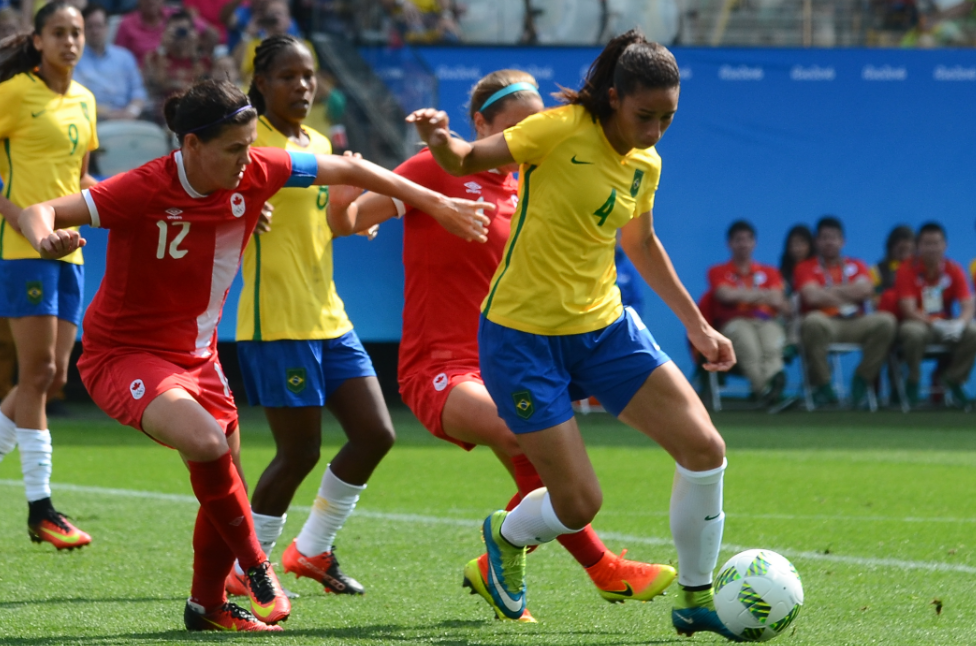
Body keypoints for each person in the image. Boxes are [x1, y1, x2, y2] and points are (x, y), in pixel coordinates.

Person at [16, 78, 489, 631]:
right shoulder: (144, 187)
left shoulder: (260, 170)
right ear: (191, 145)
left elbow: (353, 171)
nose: (248, 160)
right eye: (234, 149)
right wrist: (48, 238)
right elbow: (40, 209)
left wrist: (434, 201)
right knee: (207, 443)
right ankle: (258, 566)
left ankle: (207, 606)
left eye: (249, 145)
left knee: (225, 483)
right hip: (124, 354)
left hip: (199, 356)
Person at [407, 30, 741, 641]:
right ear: (614, 98)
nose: (656, 130)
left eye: (668, 118)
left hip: (606, 329)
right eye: (646, 115)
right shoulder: (557, 129)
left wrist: (697, 324)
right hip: (521, 336)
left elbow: (640, 243)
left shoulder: (647, 162)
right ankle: (504, 536)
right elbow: (462, 159)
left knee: (705, 449)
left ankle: (696, 598)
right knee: (578, 504)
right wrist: (437, 139)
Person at [331, 68, 678, 622]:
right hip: (439, 368)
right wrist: (350, 180)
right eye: (513, 126)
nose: (525, 137)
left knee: (539, 461)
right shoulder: (437, 170)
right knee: (527, 437)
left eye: (535, 123)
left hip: (507, 363)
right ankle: (602, 567)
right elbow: (345, 219)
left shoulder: (537, 183)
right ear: (482, 126)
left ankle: (514, 566)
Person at [223, 35, 433, 600]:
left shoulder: (318, 142)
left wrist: (352, 207)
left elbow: (335, 222)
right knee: (300, 452)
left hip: (329, 317)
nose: (302, 86)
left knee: (375, 433)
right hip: (277, 321)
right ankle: (249, 567)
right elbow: (211, 195)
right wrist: (240, 206)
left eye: (309, 76)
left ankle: (313, 548)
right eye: (288, 76)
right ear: (261, 83)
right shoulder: (247, 143)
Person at [0, 0, 97, 551]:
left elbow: (82, 177)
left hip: (71, 254)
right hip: (23, 249)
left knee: (54, 378)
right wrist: (19, 216)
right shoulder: (12, 94)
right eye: (58, 33)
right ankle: (42, 508)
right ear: (37, 41)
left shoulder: (86, 100)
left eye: (77, 32)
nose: (69, 41)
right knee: (36, 370)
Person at [795, 216, 896, 407]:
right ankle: (824, 385)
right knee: (811, 322)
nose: (829, 242)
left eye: (834, 237)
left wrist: (827, 291)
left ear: (843, 241)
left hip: (854, 322)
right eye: (824, 237)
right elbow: (812, 297)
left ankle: (862, 379)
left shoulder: (857, 265)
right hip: (826, 322)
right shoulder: (805, 267)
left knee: (886, 322)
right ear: (817, 241)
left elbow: (867, 290)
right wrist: (850, 292)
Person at [894, 222, 975, 407]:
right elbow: (908, 309)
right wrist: (934, 323)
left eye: (936, 243)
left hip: (947, 326)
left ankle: (954, 379)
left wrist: (960, 324)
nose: (932, 248)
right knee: (912, 332)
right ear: (918, 246)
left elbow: (967, 305)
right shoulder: (906, 269)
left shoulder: (954, 269)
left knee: (973, 332)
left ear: (945, 245)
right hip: (920, 324)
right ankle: (913, 379)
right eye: (927, 243)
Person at [706, 220, 787, 404]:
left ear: (754, 243)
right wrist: (763, 295)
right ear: (730, 244)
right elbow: (725, 295)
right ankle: (767, 391)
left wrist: (741, 296)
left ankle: (769, 392)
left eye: (747, 239)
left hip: (766, 321)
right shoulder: (718, 271)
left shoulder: (770, 271)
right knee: (751, 350)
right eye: (738, 240)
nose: (743, 244)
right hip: (735, 322)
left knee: (772, 348)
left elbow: (777, 299)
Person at [74, 3, 147, 121]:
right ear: (82, 30)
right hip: (93, 120)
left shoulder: (125, 56)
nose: (95, 31)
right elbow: (78, 99)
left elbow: (138, 91)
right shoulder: (75, 60)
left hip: (130, 119)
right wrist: (111, 115)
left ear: (107, 27)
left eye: (99, 26)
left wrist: (132, 111)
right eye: (90, 26)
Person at [143, 10, 213, 122]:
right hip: (163, 115)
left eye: (183, 31)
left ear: (192, 32)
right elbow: (159, 84)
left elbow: (201, 86)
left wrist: (194, 50)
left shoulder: (203, 60)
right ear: (166, 32)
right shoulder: (153, 58)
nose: (180, 35)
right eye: (175, 31)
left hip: (195, 113)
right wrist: (162, 48)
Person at [114, 0, 215, 67]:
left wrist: (198, 52)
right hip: (144, 75)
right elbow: (118, 58)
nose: (151, 1)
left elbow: (212, 34)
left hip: (184, 68)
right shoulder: (126, 24)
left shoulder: (177, 15)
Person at [872, 224, 915, 316]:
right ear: (890, 248)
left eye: (909, 250)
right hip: (889, 316)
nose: (905, 255)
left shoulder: (921, 271)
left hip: (916, 316)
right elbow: (875, 300)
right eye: (901, 249)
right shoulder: (876, 271)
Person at [778, 224, 814, 295]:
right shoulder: (782, 275)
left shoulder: (820, 269)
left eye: (801, 242)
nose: (797, 248)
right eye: (793, 243)